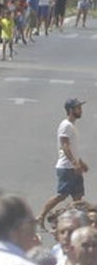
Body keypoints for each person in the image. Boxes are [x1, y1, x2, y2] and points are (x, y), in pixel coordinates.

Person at [37, 98, 87, 229]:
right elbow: (65, 145)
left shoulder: (72, 126)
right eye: (78, 108)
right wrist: (74, 163)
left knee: (78, 197)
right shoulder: (66, 125)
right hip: (66, 167)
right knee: (62, 195)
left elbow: (73, 148)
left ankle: (77, 225)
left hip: (73, 167)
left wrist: (81, 162)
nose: (80, 110)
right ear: (70, 110)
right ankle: (41, 215)